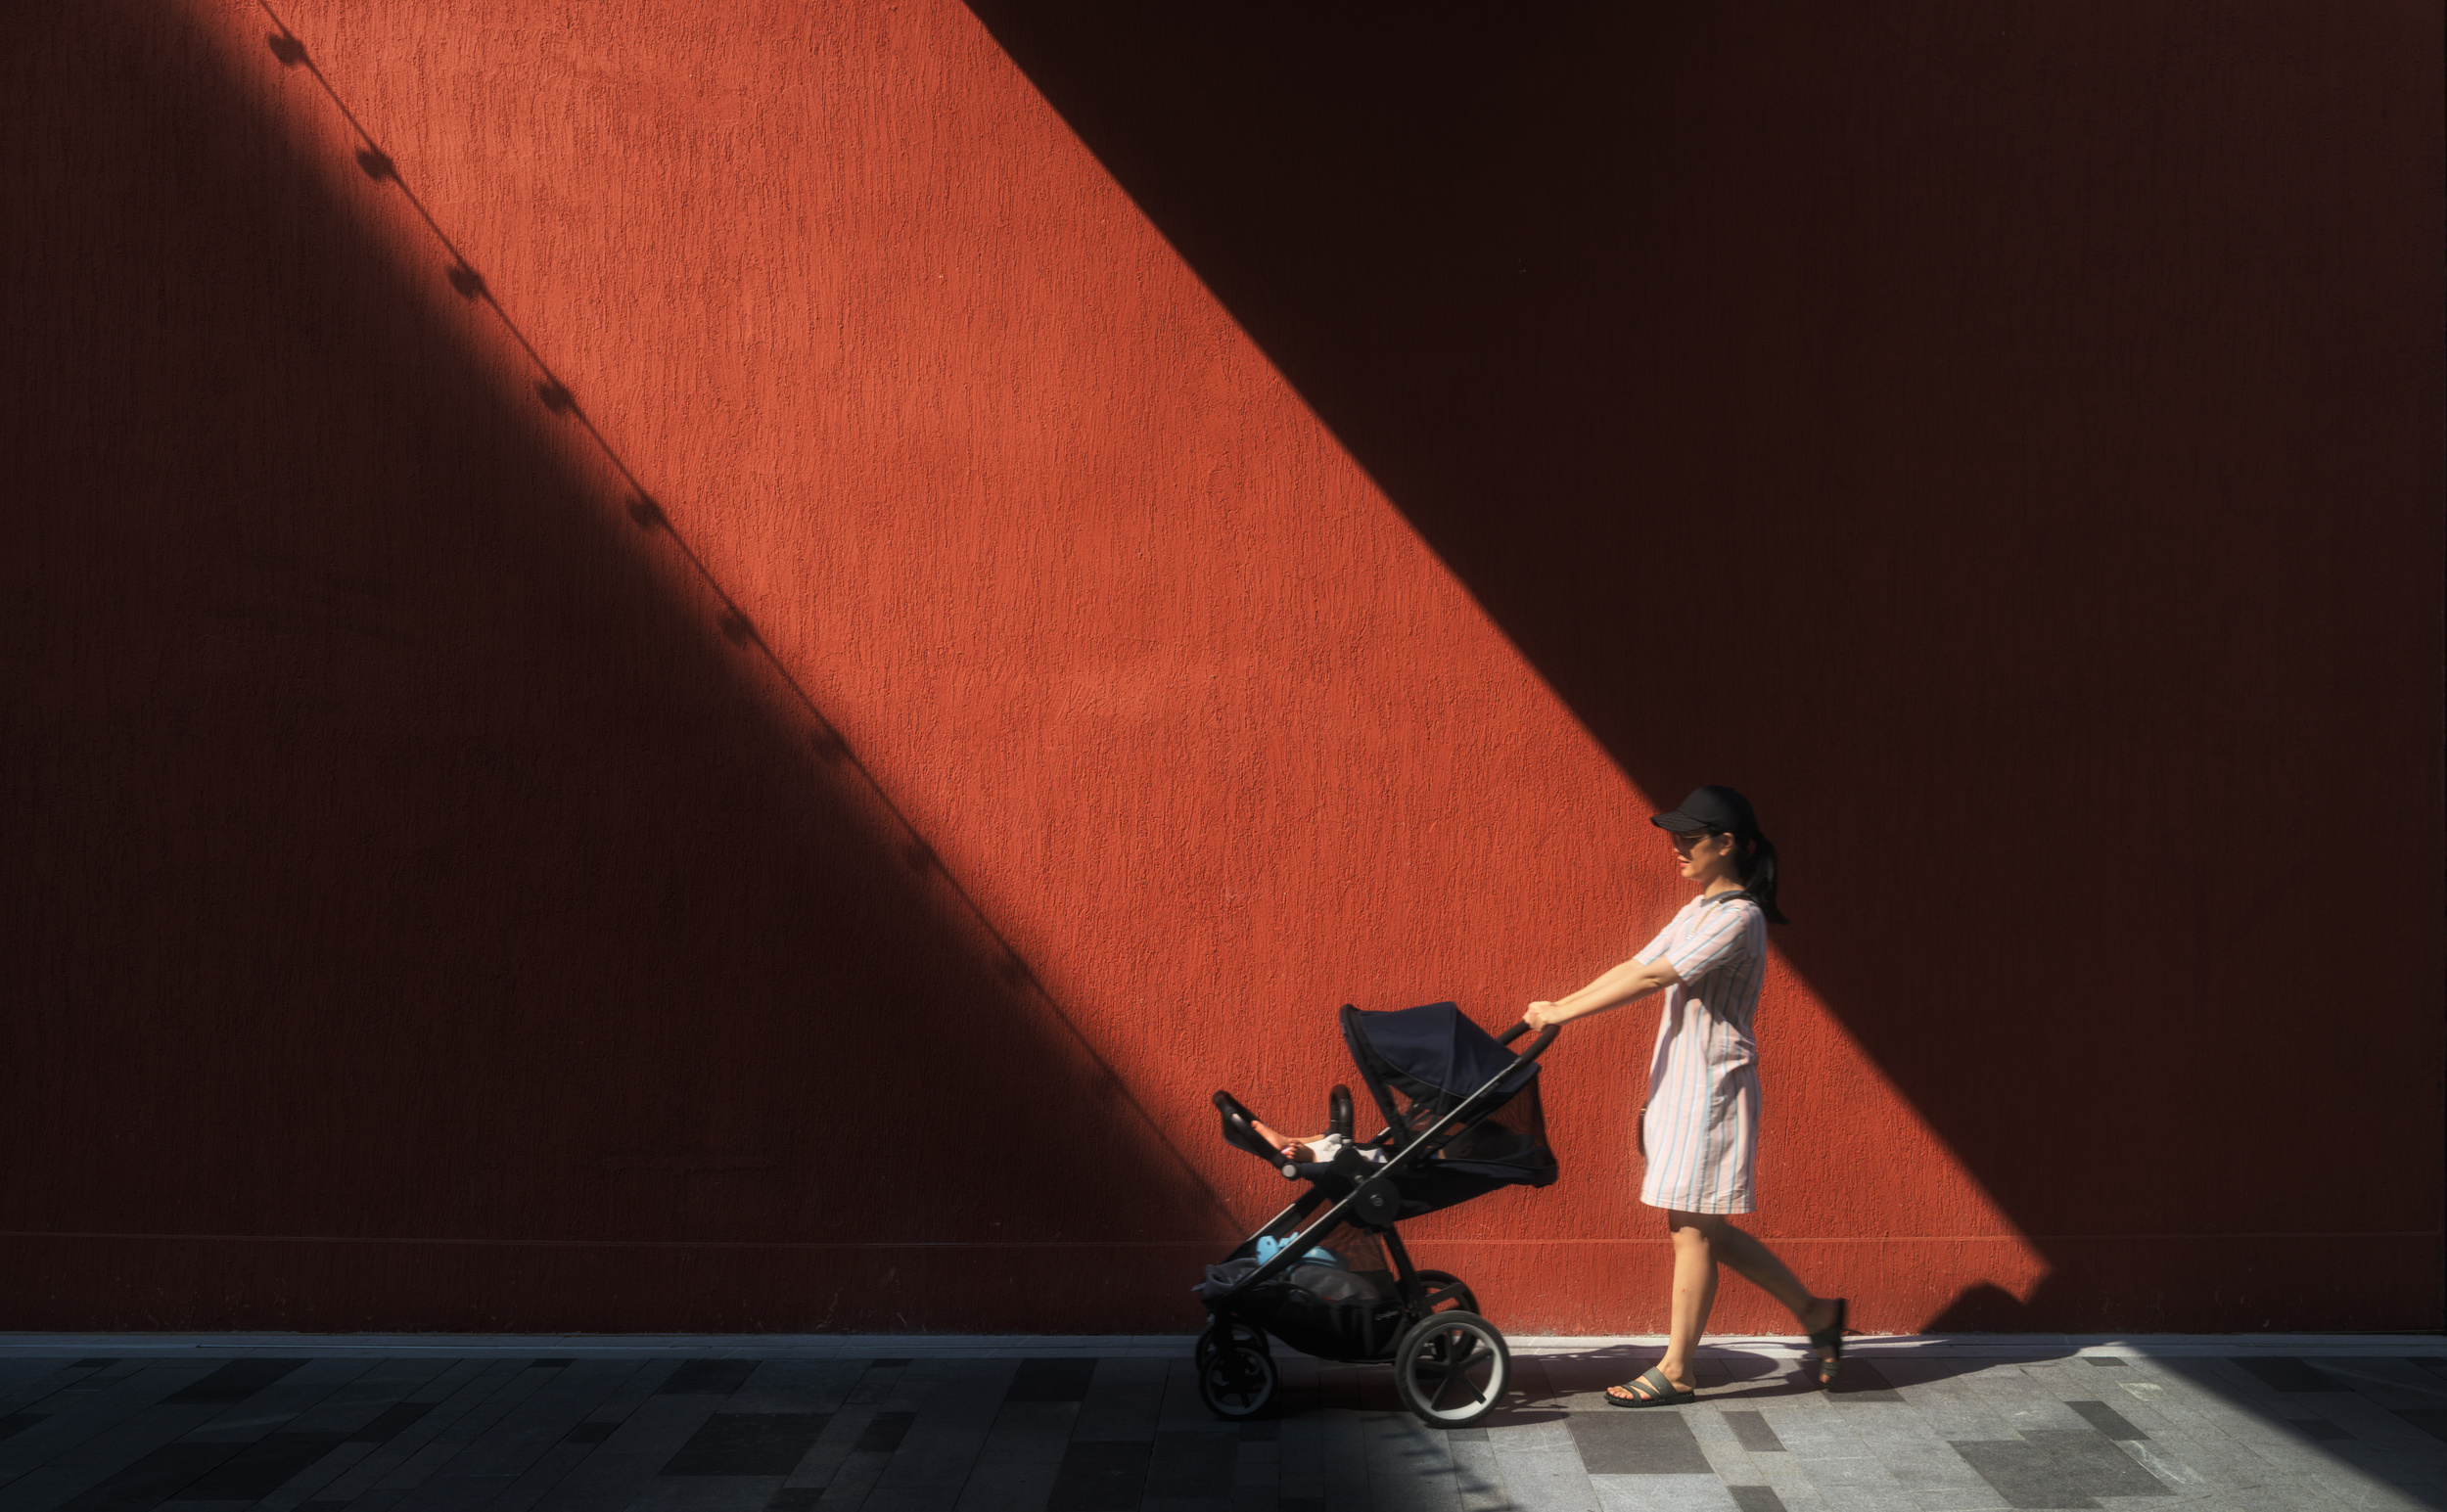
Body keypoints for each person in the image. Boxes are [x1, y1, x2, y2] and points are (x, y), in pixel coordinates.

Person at [1524, 785, 1847, 1406]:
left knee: (1692, 1231)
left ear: (1726, 844)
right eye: (1675, 837)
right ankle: (1816, 1313)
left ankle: (1677, 1369)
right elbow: (1634, 964)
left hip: (1713, 1091)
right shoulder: (1699, 909)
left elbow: (1655, 977)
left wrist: (1566, 1014)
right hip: (1681, 1086)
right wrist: (1559, 1005)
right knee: (1701, 1227)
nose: (1676, 848)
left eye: (1688, 838)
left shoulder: (1738, 917)